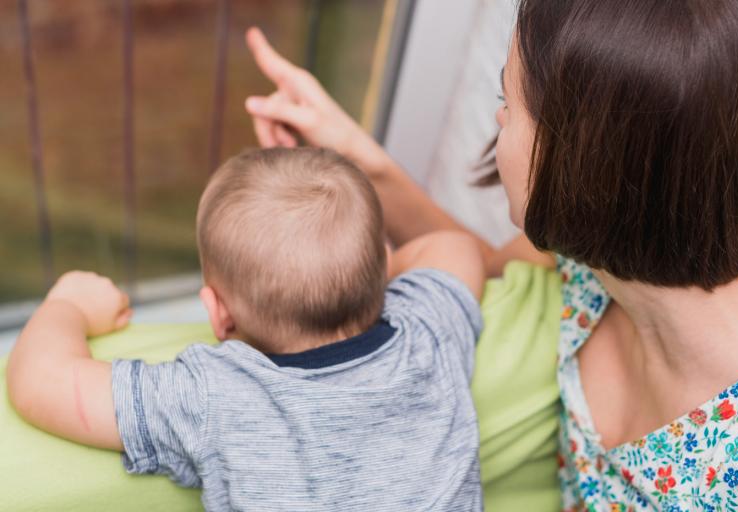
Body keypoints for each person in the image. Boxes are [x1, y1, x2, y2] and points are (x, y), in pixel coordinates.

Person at [244, 0, 738, 509]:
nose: (498, 117)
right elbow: (488, 261)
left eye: (509, 102)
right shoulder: (623, 246)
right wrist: (355, 157)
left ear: (587, 169)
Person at [6, 147, 487, 511]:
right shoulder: (429, 334)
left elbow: (39, 381)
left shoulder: (215, 395)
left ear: (219, 314)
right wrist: (369, 280)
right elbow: (453, 248)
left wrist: (69, 303)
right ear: (382, 268)